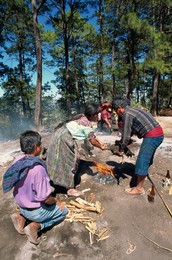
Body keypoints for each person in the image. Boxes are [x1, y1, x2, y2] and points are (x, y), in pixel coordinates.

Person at [2, 130, 68, 245]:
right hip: (35, 212)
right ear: (36, 147)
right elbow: (45, 199)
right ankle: (36, 226)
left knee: (34, 200)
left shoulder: (17, 160)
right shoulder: (38, 169)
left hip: (21, 205)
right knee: (64, 212)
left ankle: (21, 217)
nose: (42, 146)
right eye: (40, 144)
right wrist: (57, 201)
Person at [46, 102, 107, 197]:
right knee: (71, 160)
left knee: (56, 156)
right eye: (97, 115)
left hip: (58, 134)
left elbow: (92, 135)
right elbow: (92, 141)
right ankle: (70, 188)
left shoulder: (81, 117)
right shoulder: (87, 124)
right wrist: (101, 146)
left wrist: (100, 141)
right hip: (65, 138)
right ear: (93, 115)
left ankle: (50, 180)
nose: (97, 116)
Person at [112, 96, 164, 195]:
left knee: (142, 161)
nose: (116, 113)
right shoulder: (132, 109)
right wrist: (125, 141)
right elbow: (131, 130)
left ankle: (139, 188)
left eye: (115, 110)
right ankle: (143, 174)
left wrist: (122, 148)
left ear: (119, 108)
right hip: (158, 133)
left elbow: (126, 134)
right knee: (147, 158)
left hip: (152, 136)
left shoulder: (126, 114)